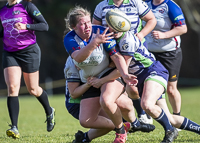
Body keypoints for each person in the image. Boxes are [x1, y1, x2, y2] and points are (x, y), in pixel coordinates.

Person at [63, 6, 155, 143]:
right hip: (91, 80)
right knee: (85, 120)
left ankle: (122, 132)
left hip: (108, 74)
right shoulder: (70, 39)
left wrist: (124, 75)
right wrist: (95, 43)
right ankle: (128, 125)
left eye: (88, 22)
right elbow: (78, 57)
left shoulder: (100, 31)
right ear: (74, 27)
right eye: (82, 24)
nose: (87, 26)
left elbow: (116, 56)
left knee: (109, 101)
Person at [107, 23, 200, 142]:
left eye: (117, 25)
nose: (114, 28)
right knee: (169, 118)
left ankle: (170, 130)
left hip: (152, 71)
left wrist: (101, 80)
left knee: (147, 105)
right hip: (142, 79)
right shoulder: (111, 40)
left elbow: (122, 68)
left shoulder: (127, 40)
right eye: (111, 25)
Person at [92, 0, 157, 124]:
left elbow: (151, 19)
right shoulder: (101, 6)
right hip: (112, 51)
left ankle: (143, 112)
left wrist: (141, 34)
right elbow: (95, 29)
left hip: (133, 50)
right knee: (121, 83)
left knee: (132, 86)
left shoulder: (135, 2)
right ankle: (129, 118)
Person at [0, 0, 55, 139]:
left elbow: (44, 26)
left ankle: (49, 111)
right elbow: (2, 32)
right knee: (12, 87)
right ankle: (14, 127)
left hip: (29, 51)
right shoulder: (2, 11)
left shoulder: (27, 6)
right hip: (10, 52)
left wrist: (26, 26)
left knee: (33, 89)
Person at [142, 0, 187, 118]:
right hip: (150, 53)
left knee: (171, 89)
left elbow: (183, 28)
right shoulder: (145, 4)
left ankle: (177, 117)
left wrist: (164, 35)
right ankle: (152, 116)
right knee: (149, 85)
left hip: (169, 54)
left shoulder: (171, 6)